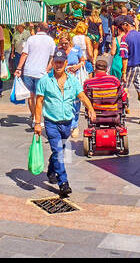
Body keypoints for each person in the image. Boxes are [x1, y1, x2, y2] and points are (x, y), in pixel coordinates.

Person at [33, 48, 95, 199]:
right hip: (51, 122)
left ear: (66, 63)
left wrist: (91, 109)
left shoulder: (73, 81)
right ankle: (63, 183)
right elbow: (39, 102)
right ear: (53, 63)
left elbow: (82, 96)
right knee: (59, 152)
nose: (58, 64)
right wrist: (37, 123)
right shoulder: (45, 81)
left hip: (67, 122)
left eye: (61, 62)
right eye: (56, 62)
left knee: (60, 149)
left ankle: (51, 169)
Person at [16, 22, 57, 112]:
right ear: (47, 30)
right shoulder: (50, 40)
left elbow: (24, 54)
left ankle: (33, 115)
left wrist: (19, 68)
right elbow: (54, 56)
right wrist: (48, 69)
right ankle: (36, 119)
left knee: (30, 96)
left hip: (28, 71)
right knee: (40, 96)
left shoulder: (31, 39)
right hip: (41, 72)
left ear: (38, 29)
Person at [121, 17, 140, 125]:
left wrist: (124, 73)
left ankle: (124, 110)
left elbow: (124, 57)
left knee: (124, 87)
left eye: (123, 25)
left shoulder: (125, 38)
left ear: (126, 25)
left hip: (130, 67)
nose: (122, 28)